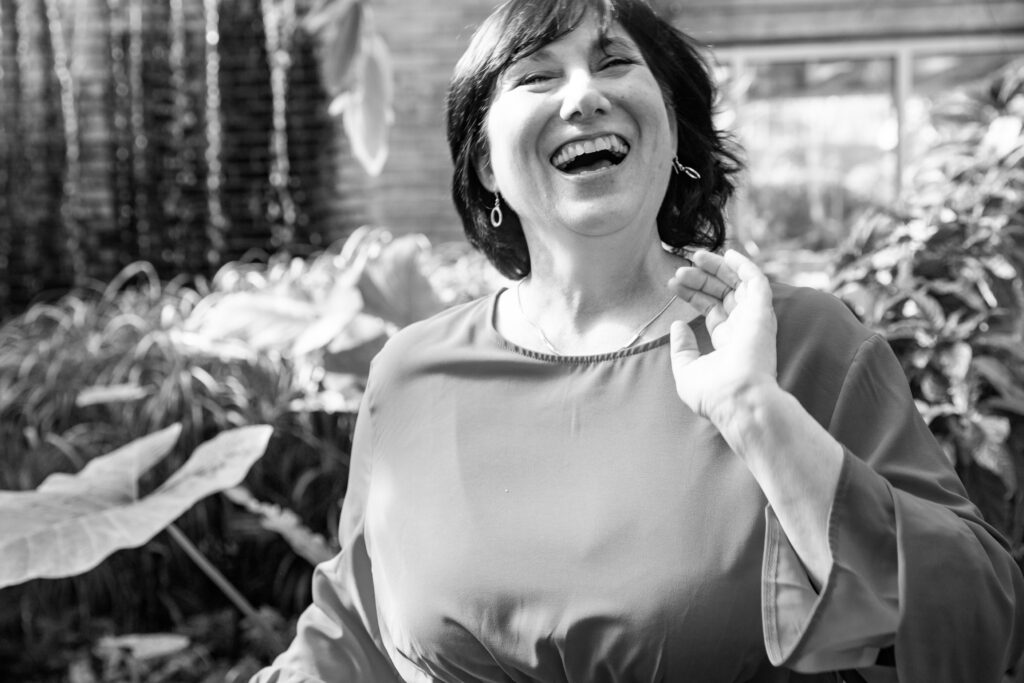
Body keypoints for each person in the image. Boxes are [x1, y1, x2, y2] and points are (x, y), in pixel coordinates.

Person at [252, 0, 1024, 680]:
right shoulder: (411, 373)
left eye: (614, 63)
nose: (583, 96)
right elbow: (351, 630)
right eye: (536, 76)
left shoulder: (804, 341)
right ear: (486, 164)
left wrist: (758, 413)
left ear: (675, 129)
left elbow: (976, 623)